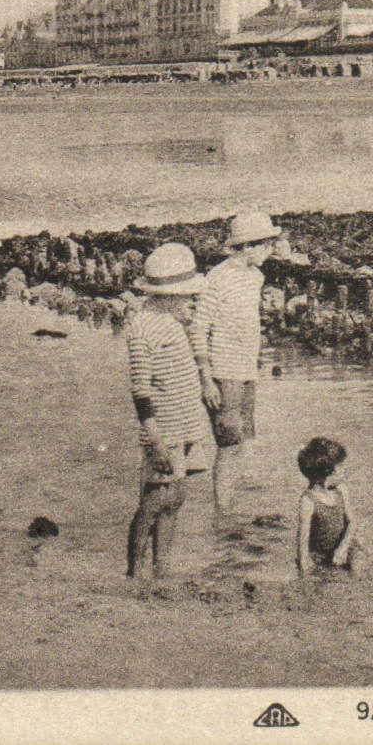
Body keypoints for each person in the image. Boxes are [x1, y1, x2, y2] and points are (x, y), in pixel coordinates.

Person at [124, 243, 214, 579]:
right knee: (153, 500)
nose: (191, 303)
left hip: (186, 423)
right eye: (187, 297)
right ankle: (135, 569)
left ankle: (163, 566)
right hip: (164, 429)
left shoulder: (175, 322)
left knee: (175, 498)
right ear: (166, 297)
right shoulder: (142, 329)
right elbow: (141, 391)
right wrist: (156, 441)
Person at [188, 211, 282, 515]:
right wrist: (205, 380)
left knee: (245, 437)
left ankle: (237, 508)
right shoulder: (218, 278)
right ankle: (222, 513)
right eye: (267, 243)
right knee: (228, 444)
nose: (271, 249)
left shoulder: (255, 277)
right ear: (248, 246)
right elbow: (199, 328)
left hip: (245, 370)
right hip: (222, 371)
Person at [295, 437, 362, 576]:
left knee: (358, 566)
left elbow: (352, 522)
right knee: (318, 578)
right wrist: (304, 568)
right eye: (341, 466)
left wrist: (343, 547)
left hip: (344, 546)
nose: (345, 470)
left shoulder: (341, 490)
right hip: (319, 555)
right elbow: (303, 541)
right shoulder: (308, 501)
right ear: (328, 471)